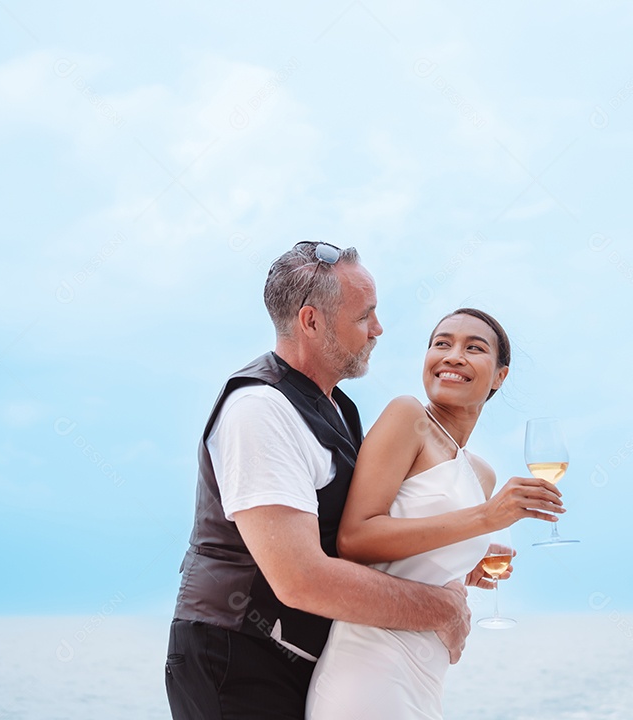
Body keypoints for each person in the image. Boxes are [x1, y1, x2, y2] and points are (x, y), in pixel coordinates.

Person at [166, 242, 475, 720]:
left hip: (292, 664)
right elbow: (301, 579)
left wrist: (456, 557)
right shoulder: (259, 411)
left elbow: (347, 537)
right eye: (363, 317)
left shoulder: (337, 408)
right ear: (311, 322)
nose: (378, 329)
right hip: (235, 662)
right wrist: (440, 610)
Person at [306, 308, 565, 720]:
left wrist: (466, 567)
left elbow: (414, 557)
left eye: (473, 348)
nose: (453, 355)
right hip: (370, 664)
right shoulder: (408, 417)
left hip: (426, 671)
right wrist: (486, 518)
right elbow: (355, 541)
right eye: (441, 344)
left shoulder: (481, 472)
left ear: (500, 376)